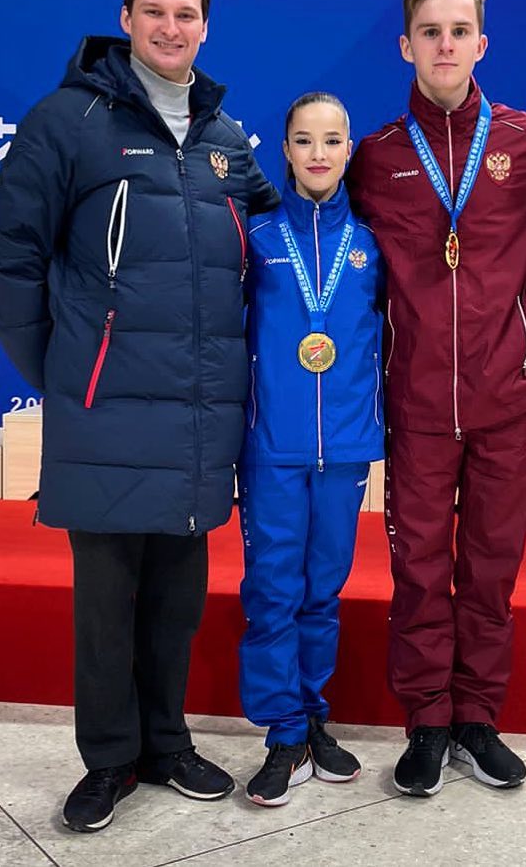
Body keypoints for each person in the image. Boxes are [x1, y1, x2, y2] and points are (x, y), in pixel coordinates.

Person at [0, 0, 280, 832]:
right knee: (107, 606)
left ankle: (166, 743)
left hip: (199, 416)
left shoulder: (226, 140)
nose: (170, 28)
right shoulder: (68, 121)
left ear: (206, 27)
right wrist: (62, 369)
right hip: (104, 410)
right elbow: (10, 255)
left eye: (186, 14)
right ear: (126, 18)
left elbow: (288, 237)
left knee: (176, 601)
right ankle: (110, 759)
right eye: (154, 12)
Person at [346, 0, 526, 797]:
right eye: (430, 32)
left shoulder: (524, 140)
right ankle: (427, 722)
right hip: (417, 401)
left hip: (506, 394)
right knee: (420, 572)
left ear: (481, 44)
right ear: (406, 46)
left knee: (492, 567)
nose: (445, 45)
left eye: (459, 31)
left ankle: (477, 718)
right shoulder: (377, 157)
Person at [236, 92, 385, 806]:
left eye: (331, 140)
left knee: (323, 591)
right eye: (304, 140)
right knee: (273, 592)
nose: (318, 154)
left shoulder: (374, 243)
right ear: (285, 150)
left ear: (349, 150)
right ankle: (282, 732)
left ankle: (313, 717)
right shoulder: (258, 238)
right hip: (272, 446)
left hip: (346, 446)